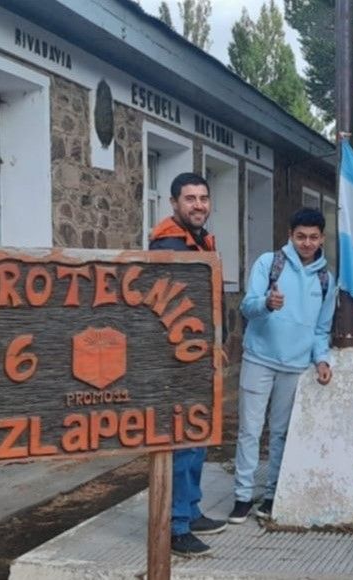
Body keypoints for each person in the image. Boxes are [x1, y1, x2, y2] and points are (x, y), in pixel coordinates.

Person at [228, 208, 337, 525]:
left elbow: (321, 329)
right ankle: (242, 496)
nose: (307, 242)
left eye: (313, 237)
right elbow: (248, 306)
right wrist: (267, 303)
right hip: (259, 359)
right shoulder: (269, 263)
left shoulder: (326, 279)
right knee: (249, 430)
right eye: (300, 236)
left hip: (295, 366)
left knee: (281, 433)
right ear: (290, 235)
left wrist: (322, 360)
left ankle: (273, 494)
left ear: (322, 239)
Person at [149, 172, 228, 557]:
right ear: (173, 203)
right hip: (176, 360)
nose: (198, 205)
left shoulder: (200, 240)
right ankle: (176, 527)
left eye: (203, 198)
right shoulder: (169, 243)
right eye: (190, 198)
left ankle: (190, 509)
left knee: (197, 439)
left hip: (199, 356)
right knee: (182, 441)